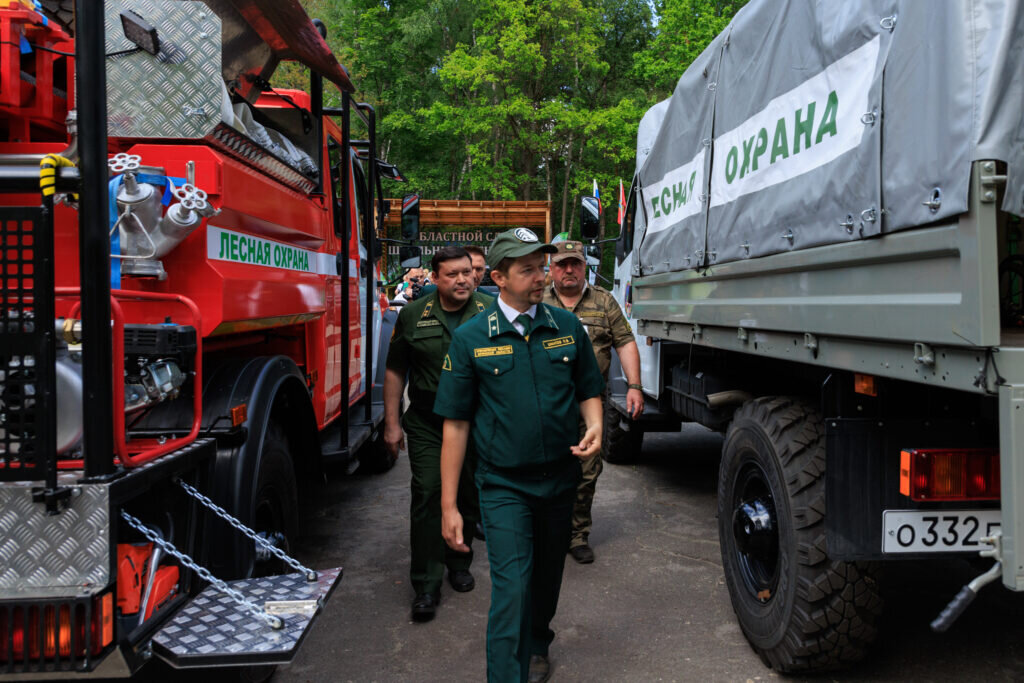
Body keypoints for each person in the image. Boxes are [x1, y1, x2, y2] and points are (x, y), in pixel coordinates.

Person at [436, 228, 605, 683]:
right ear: (499, 277)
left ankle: (538, 644)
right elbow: (455, 423)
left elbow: (588, 388)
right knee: (511, 590)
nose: (541, 276)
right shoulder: (472, 338)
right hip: (503, 485)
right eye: (527, 269)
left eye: (541, 266)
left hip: (560, 481)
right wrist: (449, 506)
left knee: (547, 582)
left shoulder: (565, 326)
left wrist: (595, 423)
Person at [383, 246, 493, 622]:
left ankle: (459, 560)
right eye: (453, 274)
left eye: (467, 272)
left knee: (467, 493)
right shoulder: (413, 314)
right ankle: (426, 584)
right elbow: (396, 370)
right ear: (435, 278)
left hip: (476, 421)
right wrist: (392, 422)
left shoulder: (491, 313)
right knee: (429, 493)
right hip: (429, 421)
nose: (463, 279)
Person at [542, 240, 644, 564]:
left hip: (591, 402)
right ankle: (546, 535)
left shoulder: (603, 301)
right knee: (546, 470)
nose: (568, 269)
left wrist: (635, 386)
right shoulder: (536, 302)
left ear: (584, 266)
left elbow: (625, 342)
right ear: (552, 268)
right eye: (562, 264)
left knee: (587, 471)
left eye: (575, 263)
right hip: (547, 403)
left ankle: (577, 535)